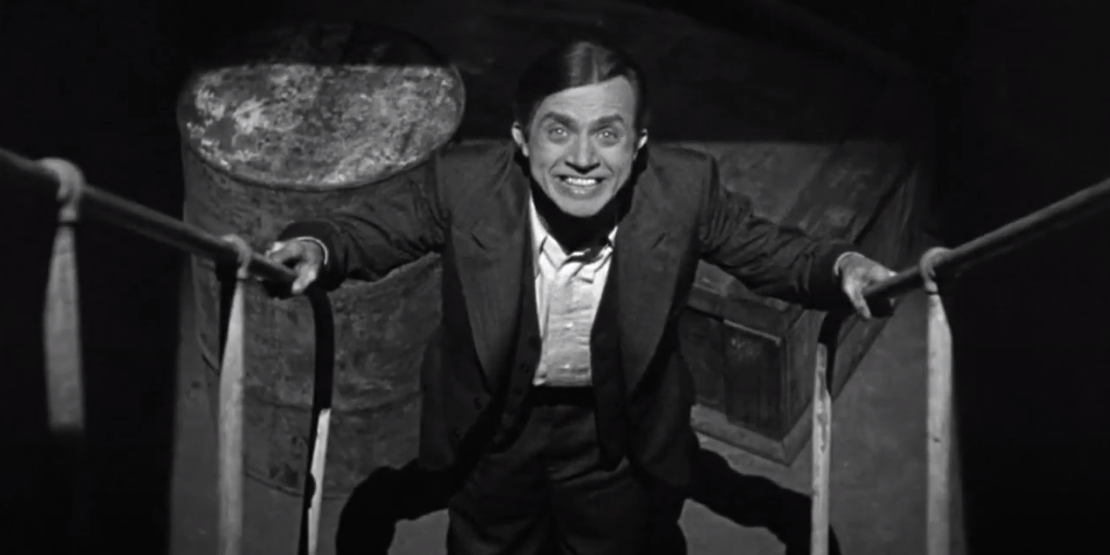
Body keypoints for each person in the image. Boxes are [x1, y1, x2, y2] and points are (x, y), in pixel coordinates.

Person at [259, 38, 896, 555]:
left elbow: (771, 251)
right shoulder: (464, 184)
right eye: (559, 132)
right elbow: (374, 231)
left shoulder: (684, 189)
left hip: (613, 434)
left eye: (607, 135)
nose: (583, 158)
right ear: (522, 139)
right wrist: (316, 246)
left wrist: (842, 268)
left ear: (638, 145)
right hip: (492, 429)